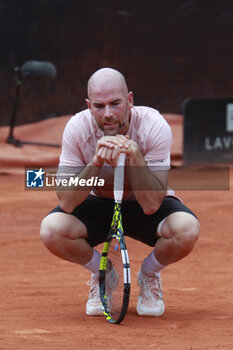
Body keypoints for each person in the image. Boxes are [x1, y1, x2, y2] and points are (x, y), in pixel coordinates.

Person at [40, 67, 200, 317]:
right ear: (88, 105)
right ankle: (103, 273)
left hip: (143, 203)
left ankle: (149, 274)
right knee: (52, 230)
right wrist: (95, 161)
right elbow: (67, 202)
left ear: (130, 100)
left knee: (186, 229)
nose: (108, 114)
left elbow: (151, 204)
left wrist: (135, 155)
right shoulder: (76, 128)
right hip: (98, 204)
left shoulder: (154, 126)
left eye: (115, 104)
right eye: (99, 106)